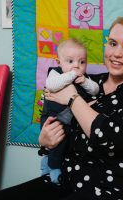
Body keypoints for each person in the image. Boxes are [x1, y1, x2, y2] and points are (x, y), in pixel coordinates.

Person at [0, 13, 123, 200]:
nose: (116, 53)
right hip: (68, 180)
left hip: (114, 190)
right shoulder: (89, 82)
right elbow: (61, 118)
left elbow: (109, 139)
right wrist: (46, 141)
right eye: (112, 43)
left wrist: (73, 98)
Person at [38, 38, 99, 184]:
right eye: (70, 61)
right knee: (59, 141)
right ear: (59, 62)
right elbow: (51, 85)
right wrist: (70, 75)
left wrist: (85, 82)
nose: (76, 66)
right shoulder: (55, 74)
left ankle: (47, 162)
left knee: (69, 143)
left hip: (72, 120)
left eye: (82, 62)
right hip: (54, 118)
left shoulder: (84, 78)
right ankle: (54, 168)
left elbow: (96, 90)